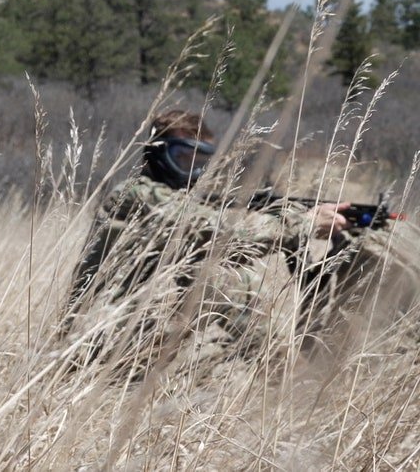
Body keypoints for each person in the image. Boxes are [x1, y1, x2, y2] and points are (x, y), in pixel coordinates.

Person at [64, 109, 352, 367]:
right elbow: (222, 233)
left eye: (199, 161)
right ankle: (287, 374)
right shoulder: (135, 195)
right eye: (183, 158)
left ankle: (286, 368)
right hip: (95, 339)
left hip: (132, 339)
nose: (192, 169)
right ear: (157, 154)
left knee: (224, 281)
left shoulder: (176, 203)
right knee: (219, 281)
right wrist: (303, 222)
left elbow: (230, 248)